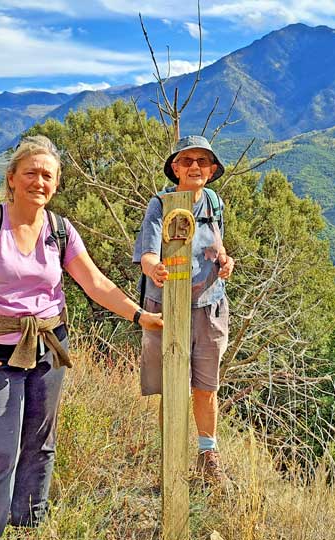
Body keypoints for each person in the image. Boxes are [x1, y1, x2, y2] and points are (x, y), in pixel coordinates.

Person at [0, 135, 163, 540]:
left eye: (47, 175)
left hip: (48, 347)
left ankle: (29, 526)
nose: (38, 181)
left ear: (57, 183)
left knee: (40, 444)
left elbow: (94, 282)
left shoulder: (60, 231)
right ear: (11, 178)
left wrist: (139, 315)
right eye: (30, 173)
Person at [133, 135, 236, 487]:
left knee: (206, 387)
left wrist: (225, 259)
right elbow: (147, 252)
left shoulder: (213, 201)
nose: (195, 167)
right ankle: (172, 459)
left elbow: (216, 239)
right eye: (187, 161)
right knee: (173, 385)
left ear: (212, 169)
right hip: (167, 308)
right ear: (175, 167)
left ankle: (208, 456)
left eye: (203, 162)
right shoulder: (161, 204)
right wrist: (153, 267)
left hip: (209, 305)